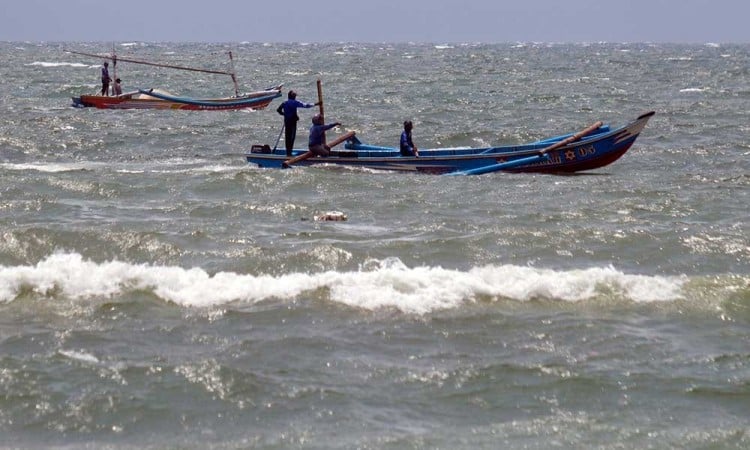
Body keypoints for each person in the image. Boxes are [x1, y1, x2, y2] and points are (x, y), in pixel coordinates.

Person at [276, 90, 320, 157]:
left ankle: (288, 152)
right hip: (293, 122)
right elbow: (306, 105)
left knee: (287, 137)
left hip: (287, 122)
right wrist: (315, 104)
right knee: (292, 137)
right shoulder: (295, 102)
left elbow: (278, 110)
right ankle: (289, 154)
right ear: (293, 97)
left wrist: (284, 114)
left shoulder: (284, 103)